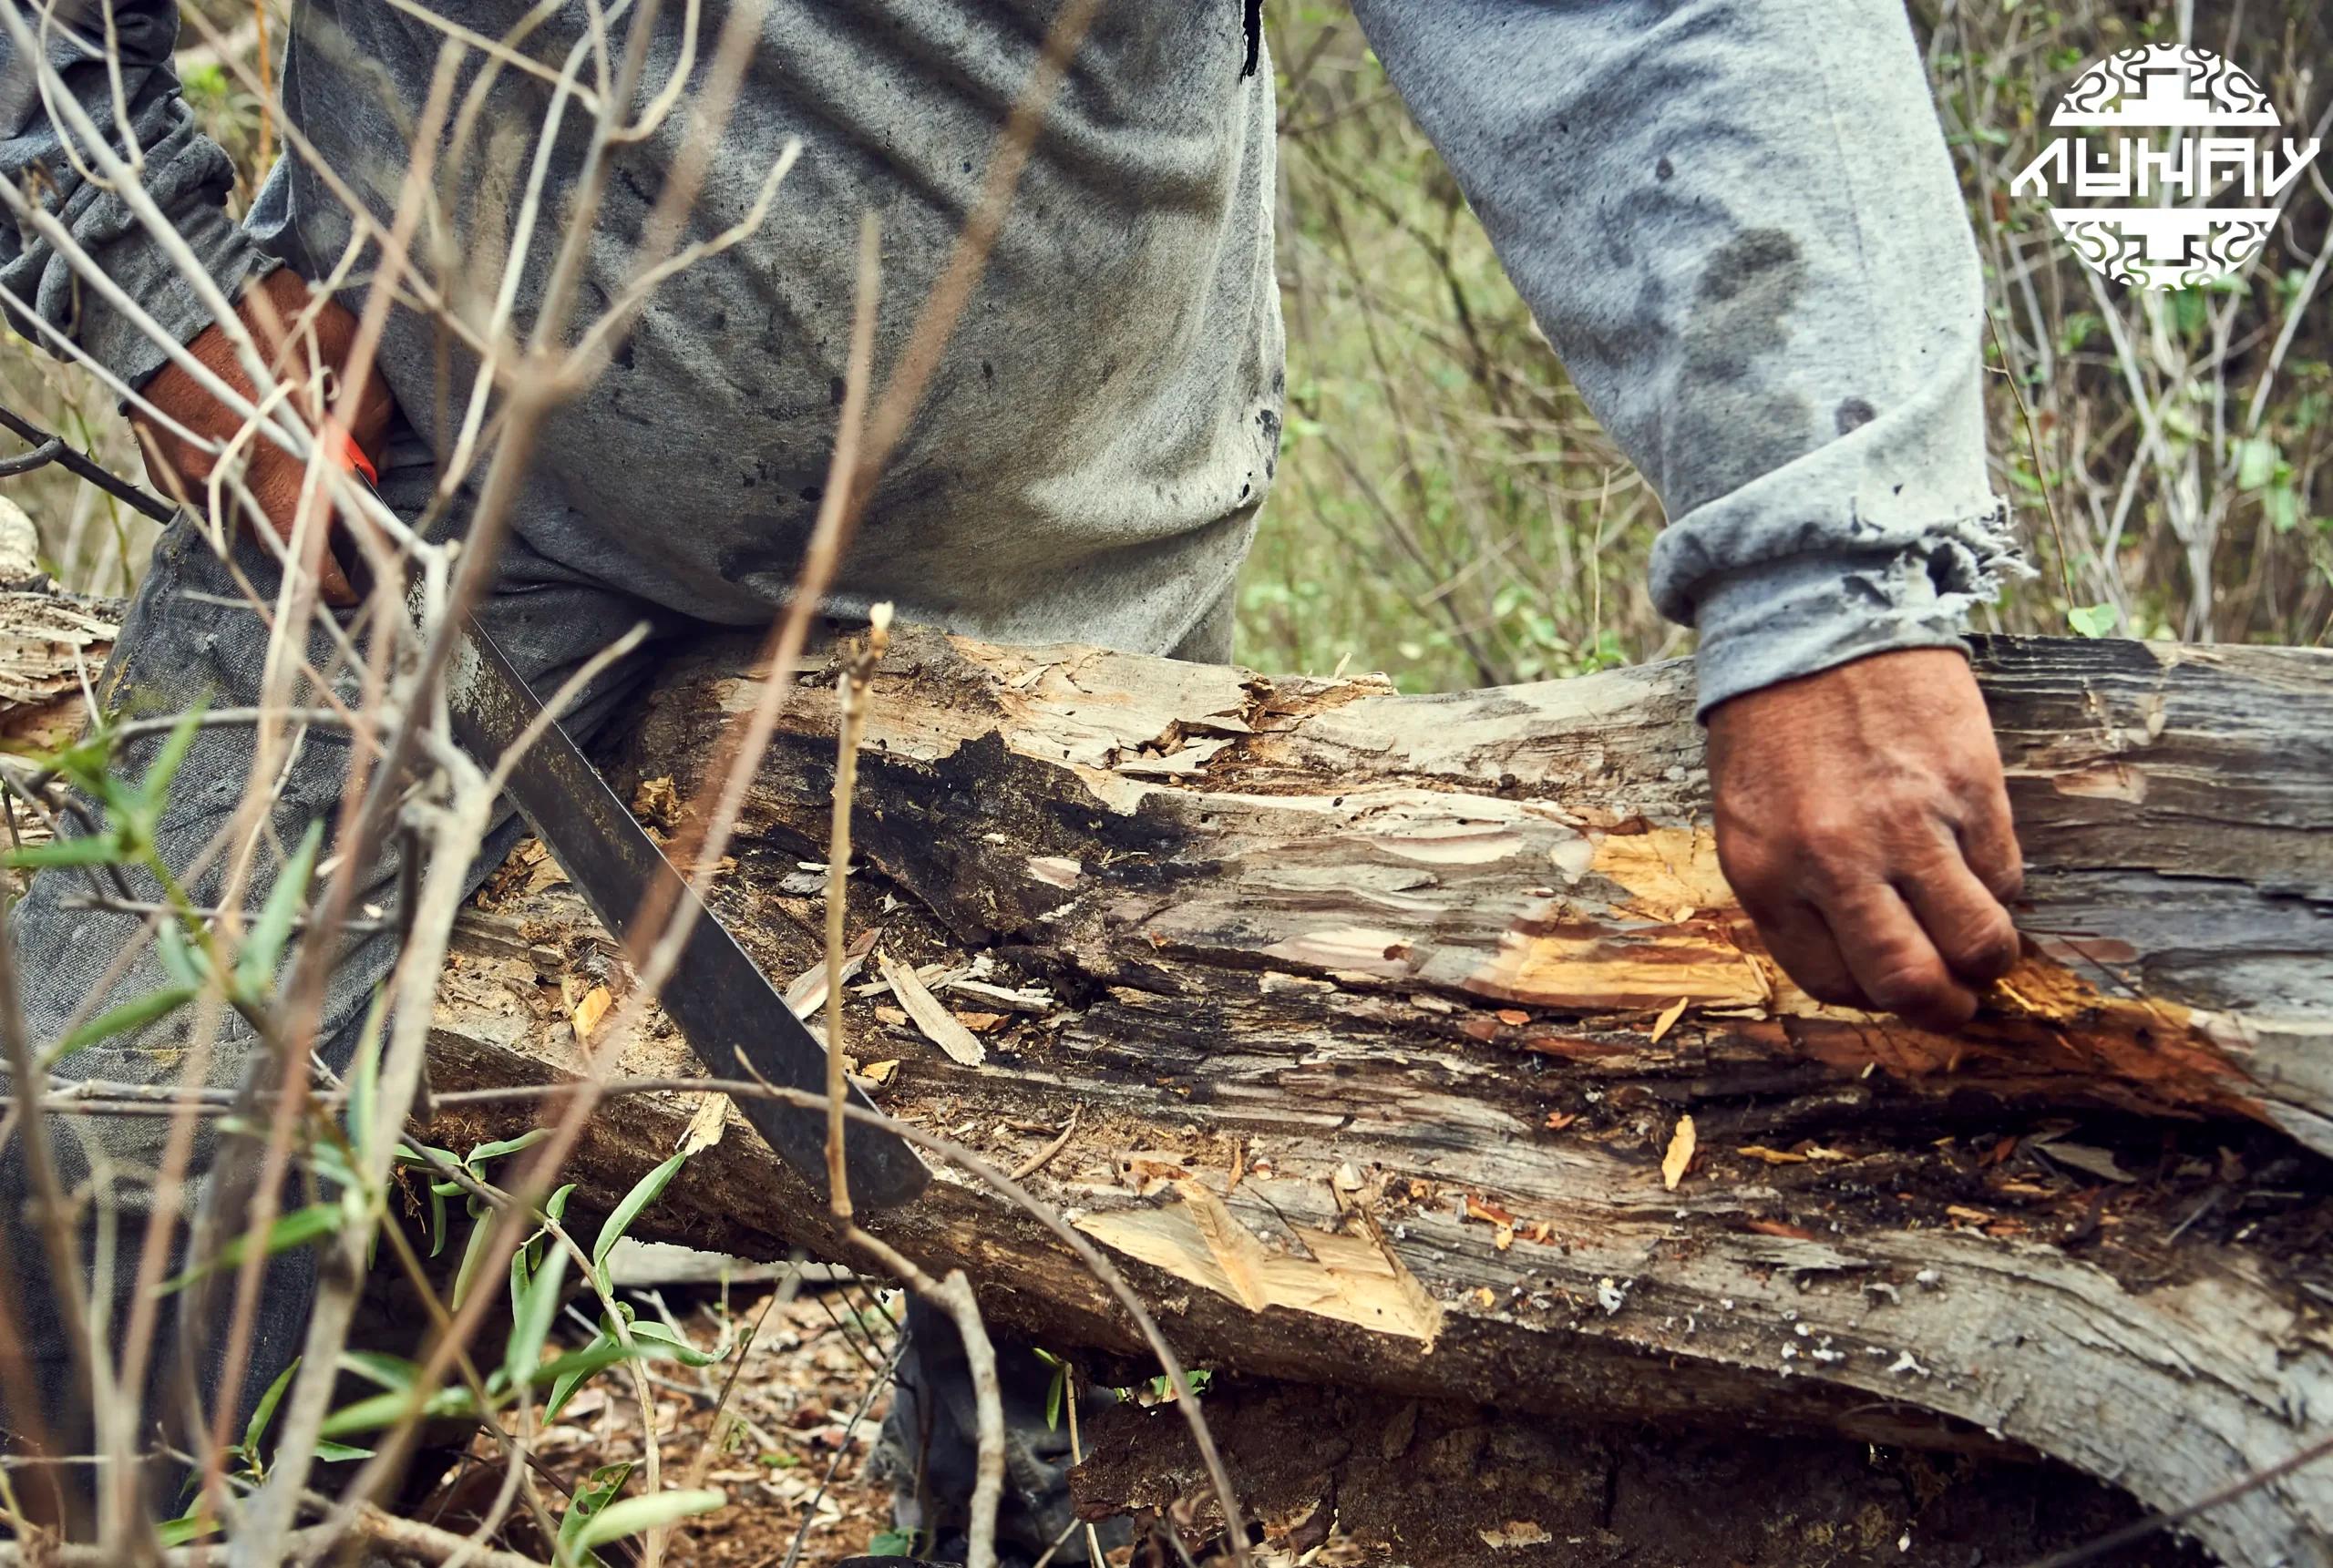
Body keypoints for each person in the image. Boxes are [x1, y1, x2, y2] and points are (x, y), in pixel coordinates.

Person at [0, 0, 2028, 1558]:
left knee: (1072, 1354)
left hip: (1072, 553)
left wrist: (1825, 565)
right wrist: (146, 276)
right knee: (106, 1222)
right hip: (405, 506)